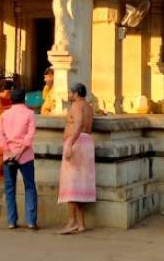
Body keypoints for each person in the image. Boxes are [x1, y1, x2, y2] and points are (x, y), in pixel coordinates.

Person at [0, 87, 38, 230]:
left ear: (11, 99)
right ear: (24, 98)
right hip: (25, 155)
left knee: (9, 188)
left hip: (8, 156)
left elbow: (0, 136)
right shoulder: (30, 114)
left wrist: (8, 152)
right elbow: (30, 136)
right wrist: (19, 152)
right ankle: (31, 221)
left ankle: (11, 221)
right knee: (30, 187)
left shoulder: (4, 115)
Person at [57, 82, 95, 234]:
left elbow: (78, 124)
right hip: (86, 143)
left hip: (76, 144)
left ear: (76, 93)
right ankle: (80, 223)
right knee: (80, 184)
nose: (69, 94)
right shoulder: (89, 106)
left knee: (71, 183)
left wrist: (70, 143)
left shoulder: (76, 105)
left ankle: (72, 221)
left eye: (70, 92)